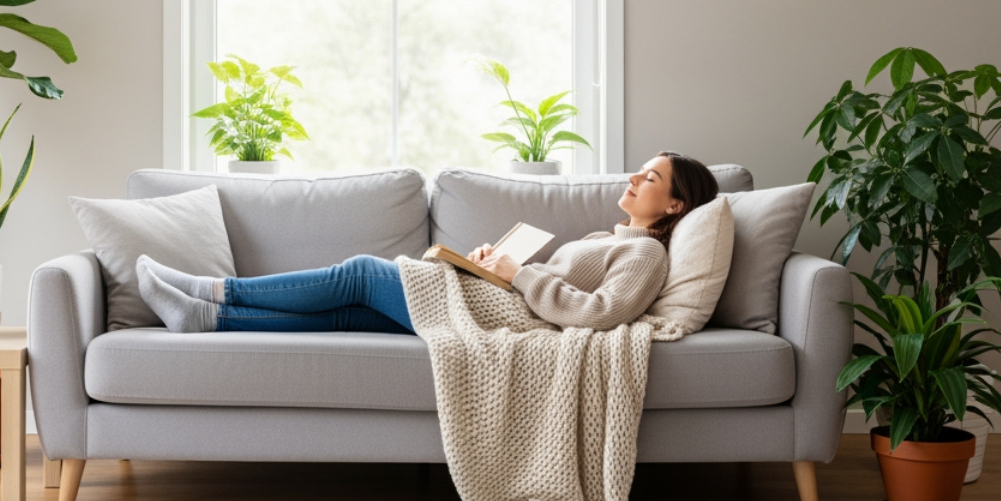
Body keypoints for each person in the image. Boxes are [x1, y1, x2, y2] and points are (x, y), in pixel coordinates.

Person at [135, 152, 721, 336]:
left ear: (675, 205)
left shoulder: (645, 254)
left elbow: (605, 313)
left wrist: (517, 275)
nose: (633, 180)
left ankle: (214, 289)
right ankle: (207, 319)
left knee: (361, 274)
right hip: (497, 299)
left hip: (503, 320)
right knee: (348, 315)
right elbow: (556, 288)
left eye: (650, 178)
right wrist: (497, 266)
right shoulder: (608, 237)